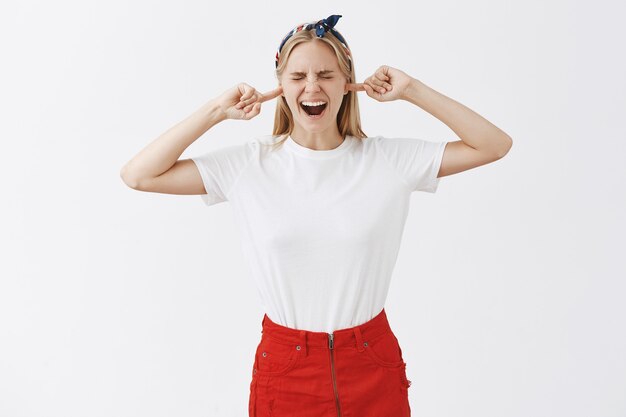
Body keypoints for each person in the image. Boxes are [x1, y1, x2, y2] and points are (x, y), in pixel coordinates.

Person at [120, 14, 512, 417]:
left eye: (326, 74)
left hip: (370, 361)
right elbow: (138, 175)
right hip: (286, 368)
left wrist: (412, 91)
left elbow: (494, 145)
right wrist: (216, 111)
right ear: (280, 86)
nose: (312, 87)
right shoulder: (248, 165)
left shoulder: (388, 160)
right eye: (298, 76)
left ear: (348, 83)